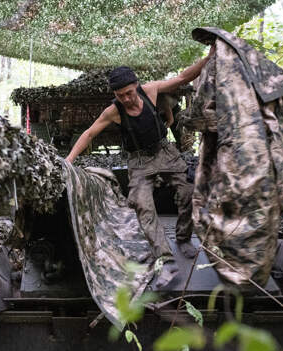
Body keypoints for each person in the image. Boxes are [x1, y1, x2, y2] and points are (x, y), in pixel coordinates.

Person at [65, 45, 215, 284]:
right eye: (119, 95)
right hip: (139, 161)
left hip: (164, 152)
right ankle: (165, 259)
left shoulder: (151, 91)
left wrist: (208, 58)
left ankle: (184, 238)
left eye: (128, 92)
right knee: (143, 206)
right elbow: (89, 133)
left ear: (136, 85)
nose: (125, 98)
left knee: (188, 192)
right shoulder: (113, 112)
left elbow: (183, 77)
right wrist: (68, 161)